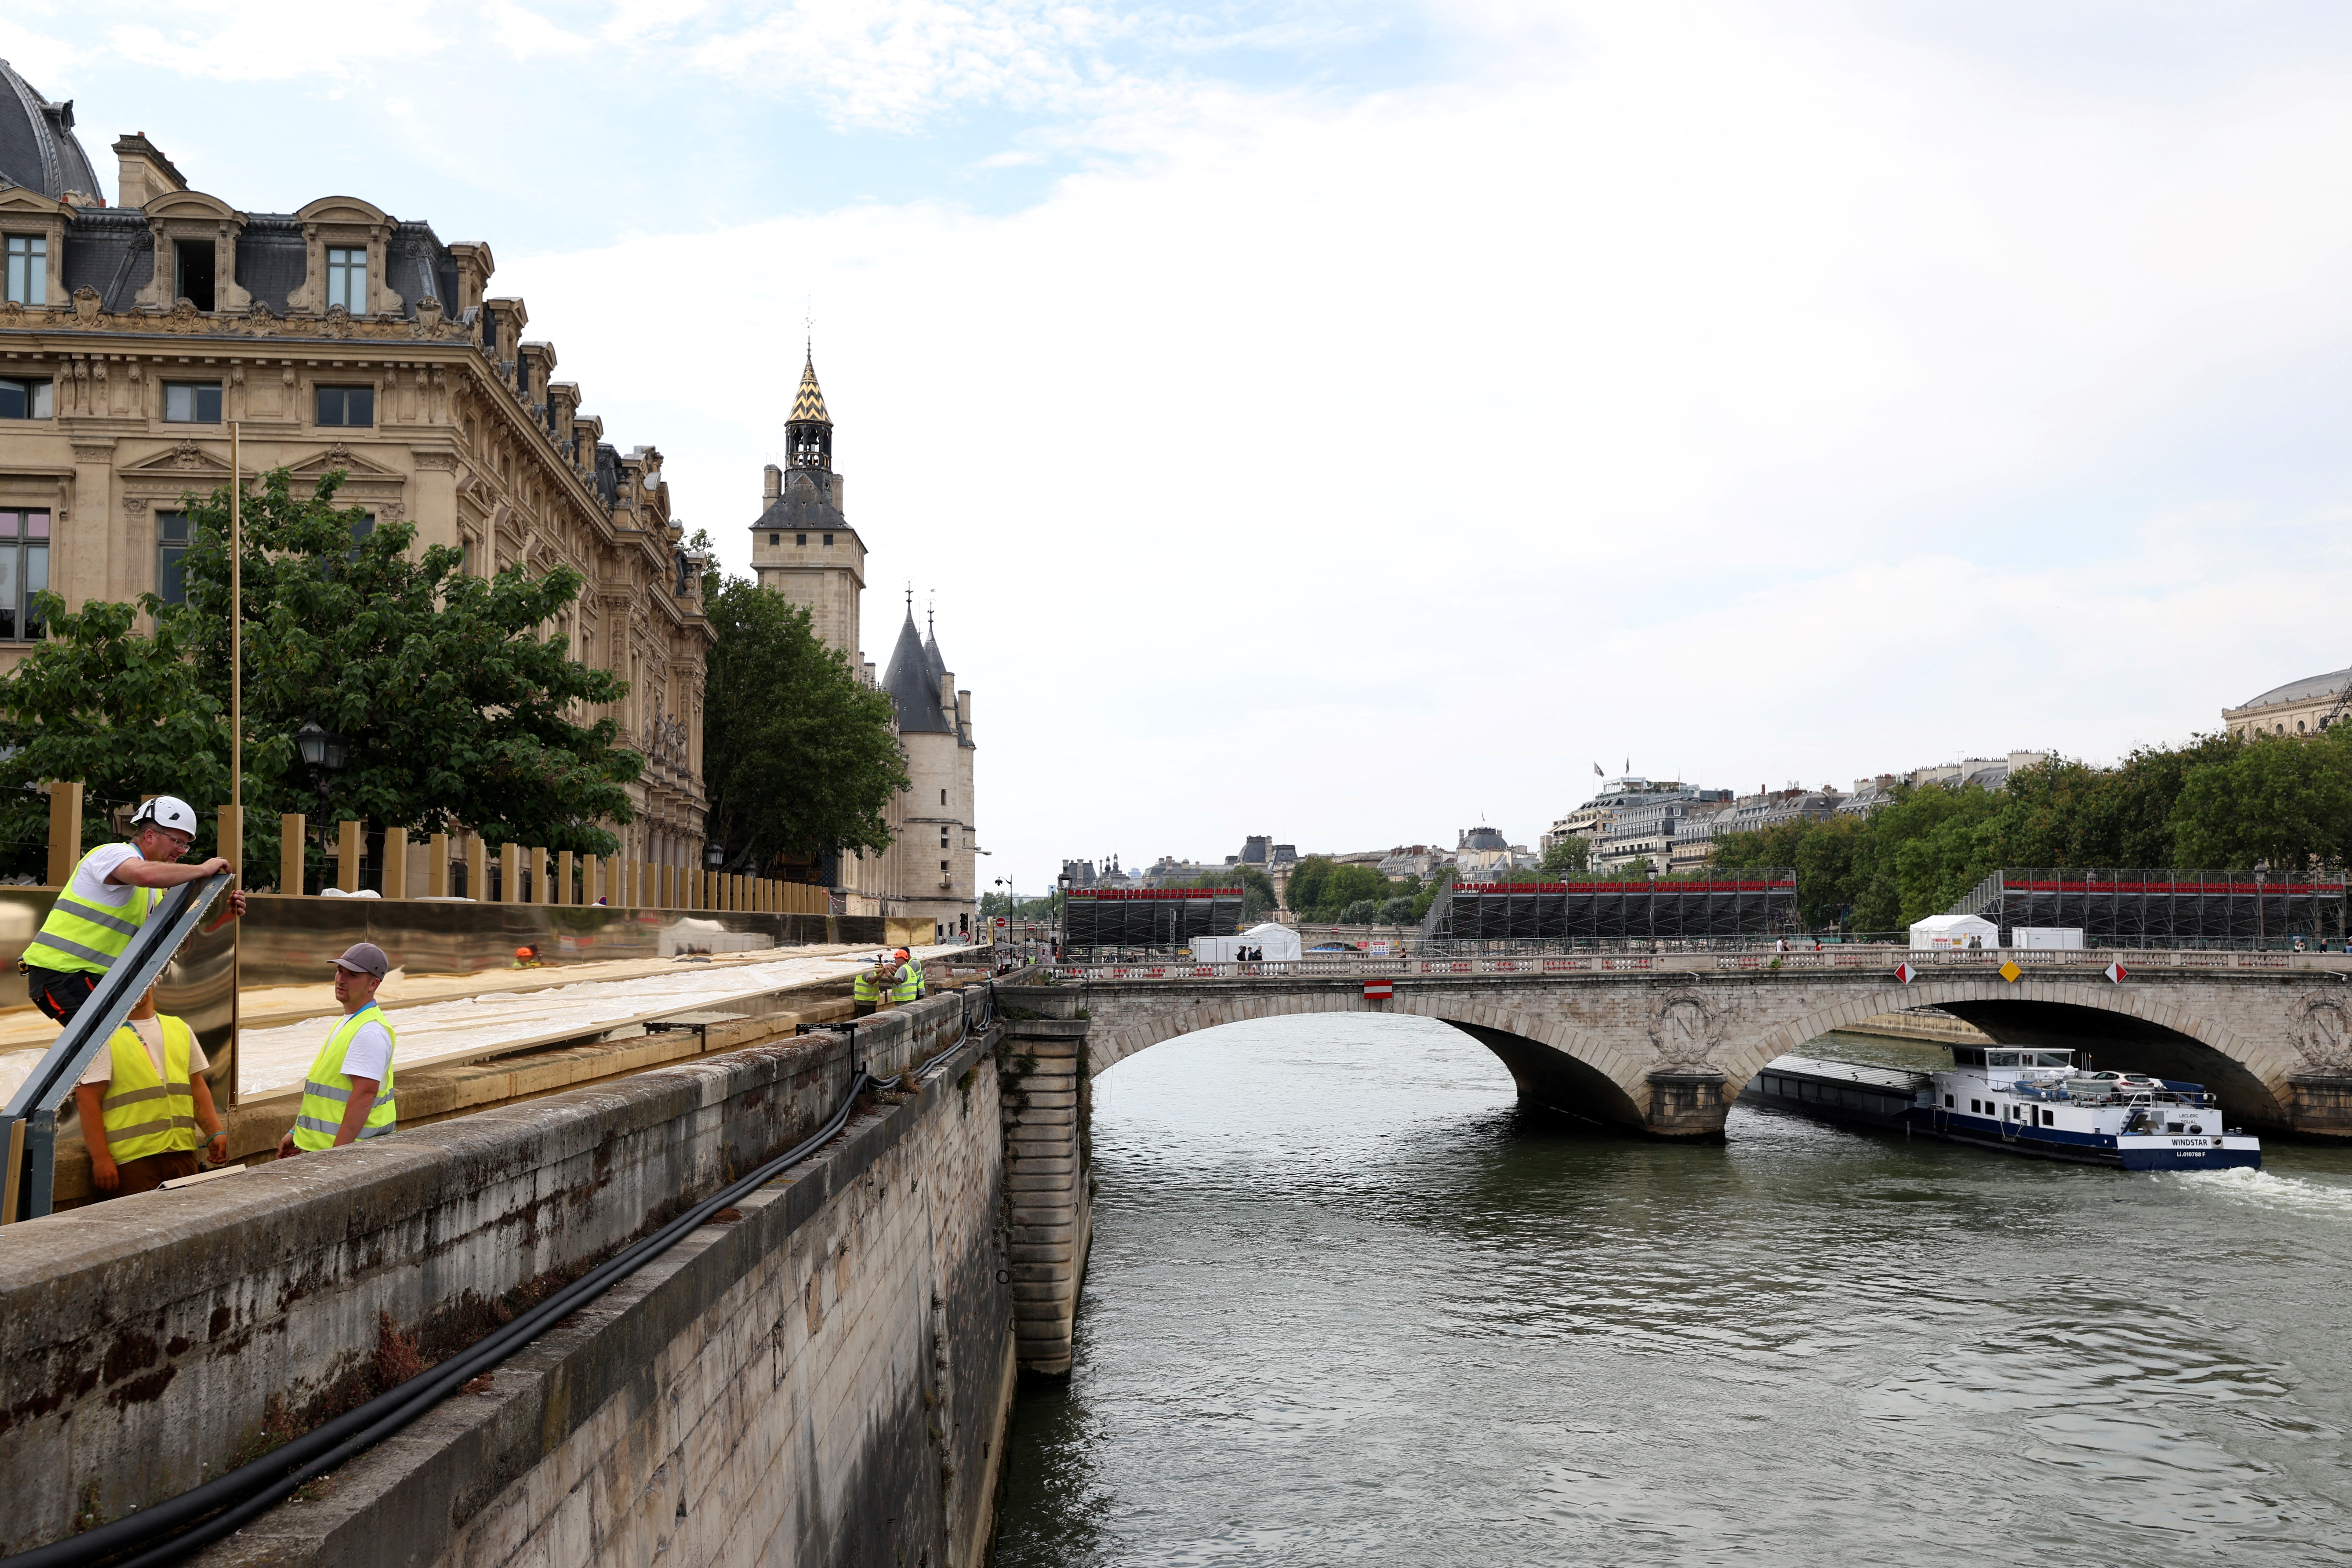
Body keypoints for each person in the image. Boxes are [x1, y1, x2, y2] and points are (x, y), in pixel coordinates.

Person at [22, 795, 247, 1025]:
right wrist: (202, 869)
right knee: (118, 1046)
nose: (182, 851)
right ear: (150, 835)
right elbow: (144, 874)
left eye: (185, 845)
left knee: (127, 1047)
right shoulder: (112, 854)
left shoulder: (151, 892)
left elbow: (177, 934)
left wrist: (223, 908)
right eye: (177, 842)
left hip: (94, 979)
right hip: (64, 973)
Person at [72, 980, 225, 1198]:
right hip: (132, 1163)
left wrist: (215, 1133)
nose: (136, 988)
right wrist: (102, 1159)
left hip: (182, 1154)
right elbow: (86, 1100)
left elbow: (196, 1087)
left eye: (141, 979)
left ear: (153, 980)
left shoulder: (180, 1028)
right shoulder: (103, 1037)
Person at [277, 943, 397, 1158]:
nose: (341, 979)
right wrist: (296, 1133)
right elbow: (325, 1092)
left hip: (346, 1155)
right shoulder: (351, 1022)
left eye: (352, 975)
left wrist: (336, 1159)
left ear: (373, 984)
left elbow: (364, 1095)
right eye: (340, 971)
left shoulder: (369, 1032)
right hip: (322, 1150)